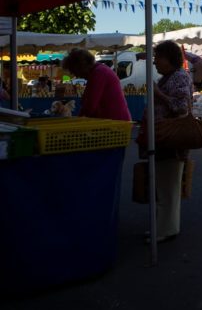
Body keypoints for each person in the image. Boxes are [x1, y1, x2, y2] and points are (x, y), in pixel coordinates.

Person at [143, 40, 193, 243]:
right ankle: (163, 227)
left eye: (157, 58)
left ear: (168, 58)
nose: (154, 63)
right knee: (163, 186)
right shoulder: (170, 77)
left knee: (168, 187)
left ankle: (166, 229)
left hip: (173, 139)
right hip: (164, 138)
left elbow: (182, 107)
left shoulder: (180, 77)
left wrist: (158, 94)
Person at [62, 48, 131, 121]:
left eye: (74, 71)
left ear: (81, 67)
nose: (76, 75)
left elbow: (90, 106)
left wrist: (76, 122)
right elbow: (87, 105)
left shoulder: (99, 73)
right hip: (111, 122)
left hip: (116, 123)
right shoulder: (98, 71)